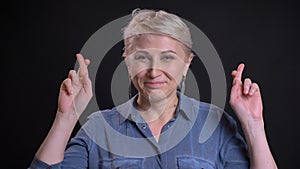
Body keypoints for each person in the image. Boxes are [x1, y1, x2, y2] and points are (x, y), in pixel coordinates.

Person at [29, 9, 278, 169]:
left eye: (168, 57)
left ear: (186, 63)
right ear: (126, 60)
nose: (154, 71)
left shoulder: (215, 123)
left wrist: (254, 125)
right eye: (142, 58)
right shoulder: (98, 127)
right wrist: (66, 116)